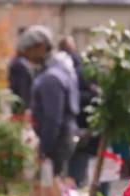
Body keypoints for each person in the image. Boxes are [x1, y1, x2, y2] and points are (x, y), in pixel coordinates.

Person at [28, 26, 80, 177]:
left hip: (57, 141)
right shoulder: (60, 69)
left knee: (51, 184)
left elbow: (52, 118)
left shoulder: (51, 77)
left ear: (40, 47)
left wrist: (44, 149)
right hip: (63, 136)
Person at [58, 35, 98, 187]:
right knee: (78, 167)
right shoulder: (82, 69)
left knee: (73, 166)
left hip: (74, 124)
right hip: (83, 125)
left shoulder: (74, 69)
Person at [7, 27, 35, 114]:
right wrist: (26, 108)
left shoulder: (19, 61)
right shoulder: (20, 64)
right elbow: (22, 89)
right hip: (21, 107)